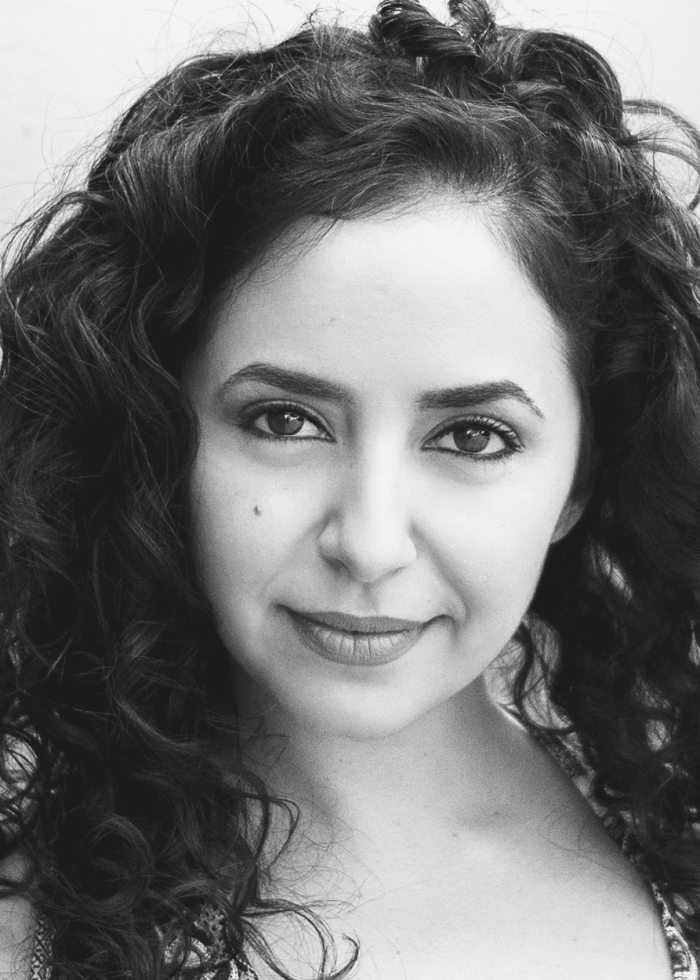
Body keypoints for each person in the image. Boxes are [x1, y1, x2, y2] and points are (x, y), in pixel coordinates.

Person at [1, 0, 700, 976]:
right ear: (160, 430)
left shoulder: (679, 833)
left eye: (472, 434)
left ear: (582, 474)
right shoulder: (29, 927)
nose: (369, 543)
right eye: (285, 420)